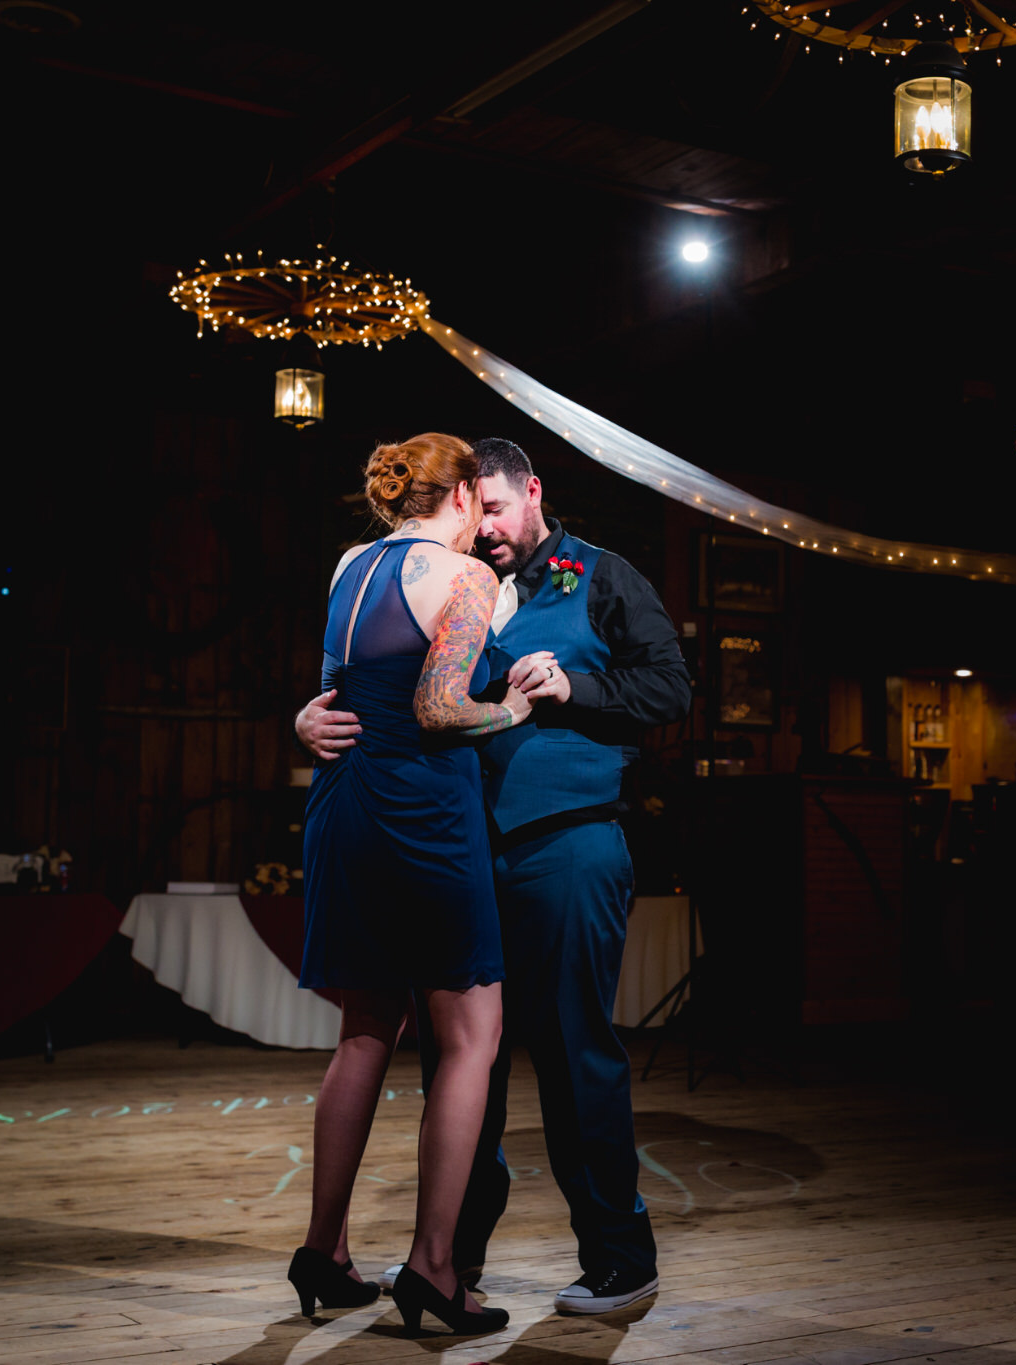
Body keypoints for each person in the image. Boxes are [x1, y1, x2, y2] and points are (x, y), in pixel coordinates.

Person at [298, 436, 689, 1316]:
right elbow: (386, 684)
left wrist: (573, 689)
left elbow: (670, 689)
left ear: (528, 494)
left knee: (568, 1047)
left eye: (504, 511)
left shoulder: (601, 575)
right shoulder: (450, 569)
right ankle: (451, 1257)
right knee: (453, 1057)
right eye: (485, 512)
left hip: (565, 845)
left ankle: (617, 1256)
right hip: (459, 845)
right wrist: (308, 718)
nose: (494, 530)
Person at [288, 433, 542, 1338]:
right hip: (423, 815)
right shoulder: (464, 578)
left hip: (344, 807)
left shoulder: (351, 564)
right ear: (469, 493)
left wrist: (299, 722)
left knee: (364, 1027)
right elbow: (440, 707)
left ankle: (324, 1248)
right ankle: (435, 1266)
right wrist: (515, 701)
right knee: (474, 1034)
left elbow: (330, 698)